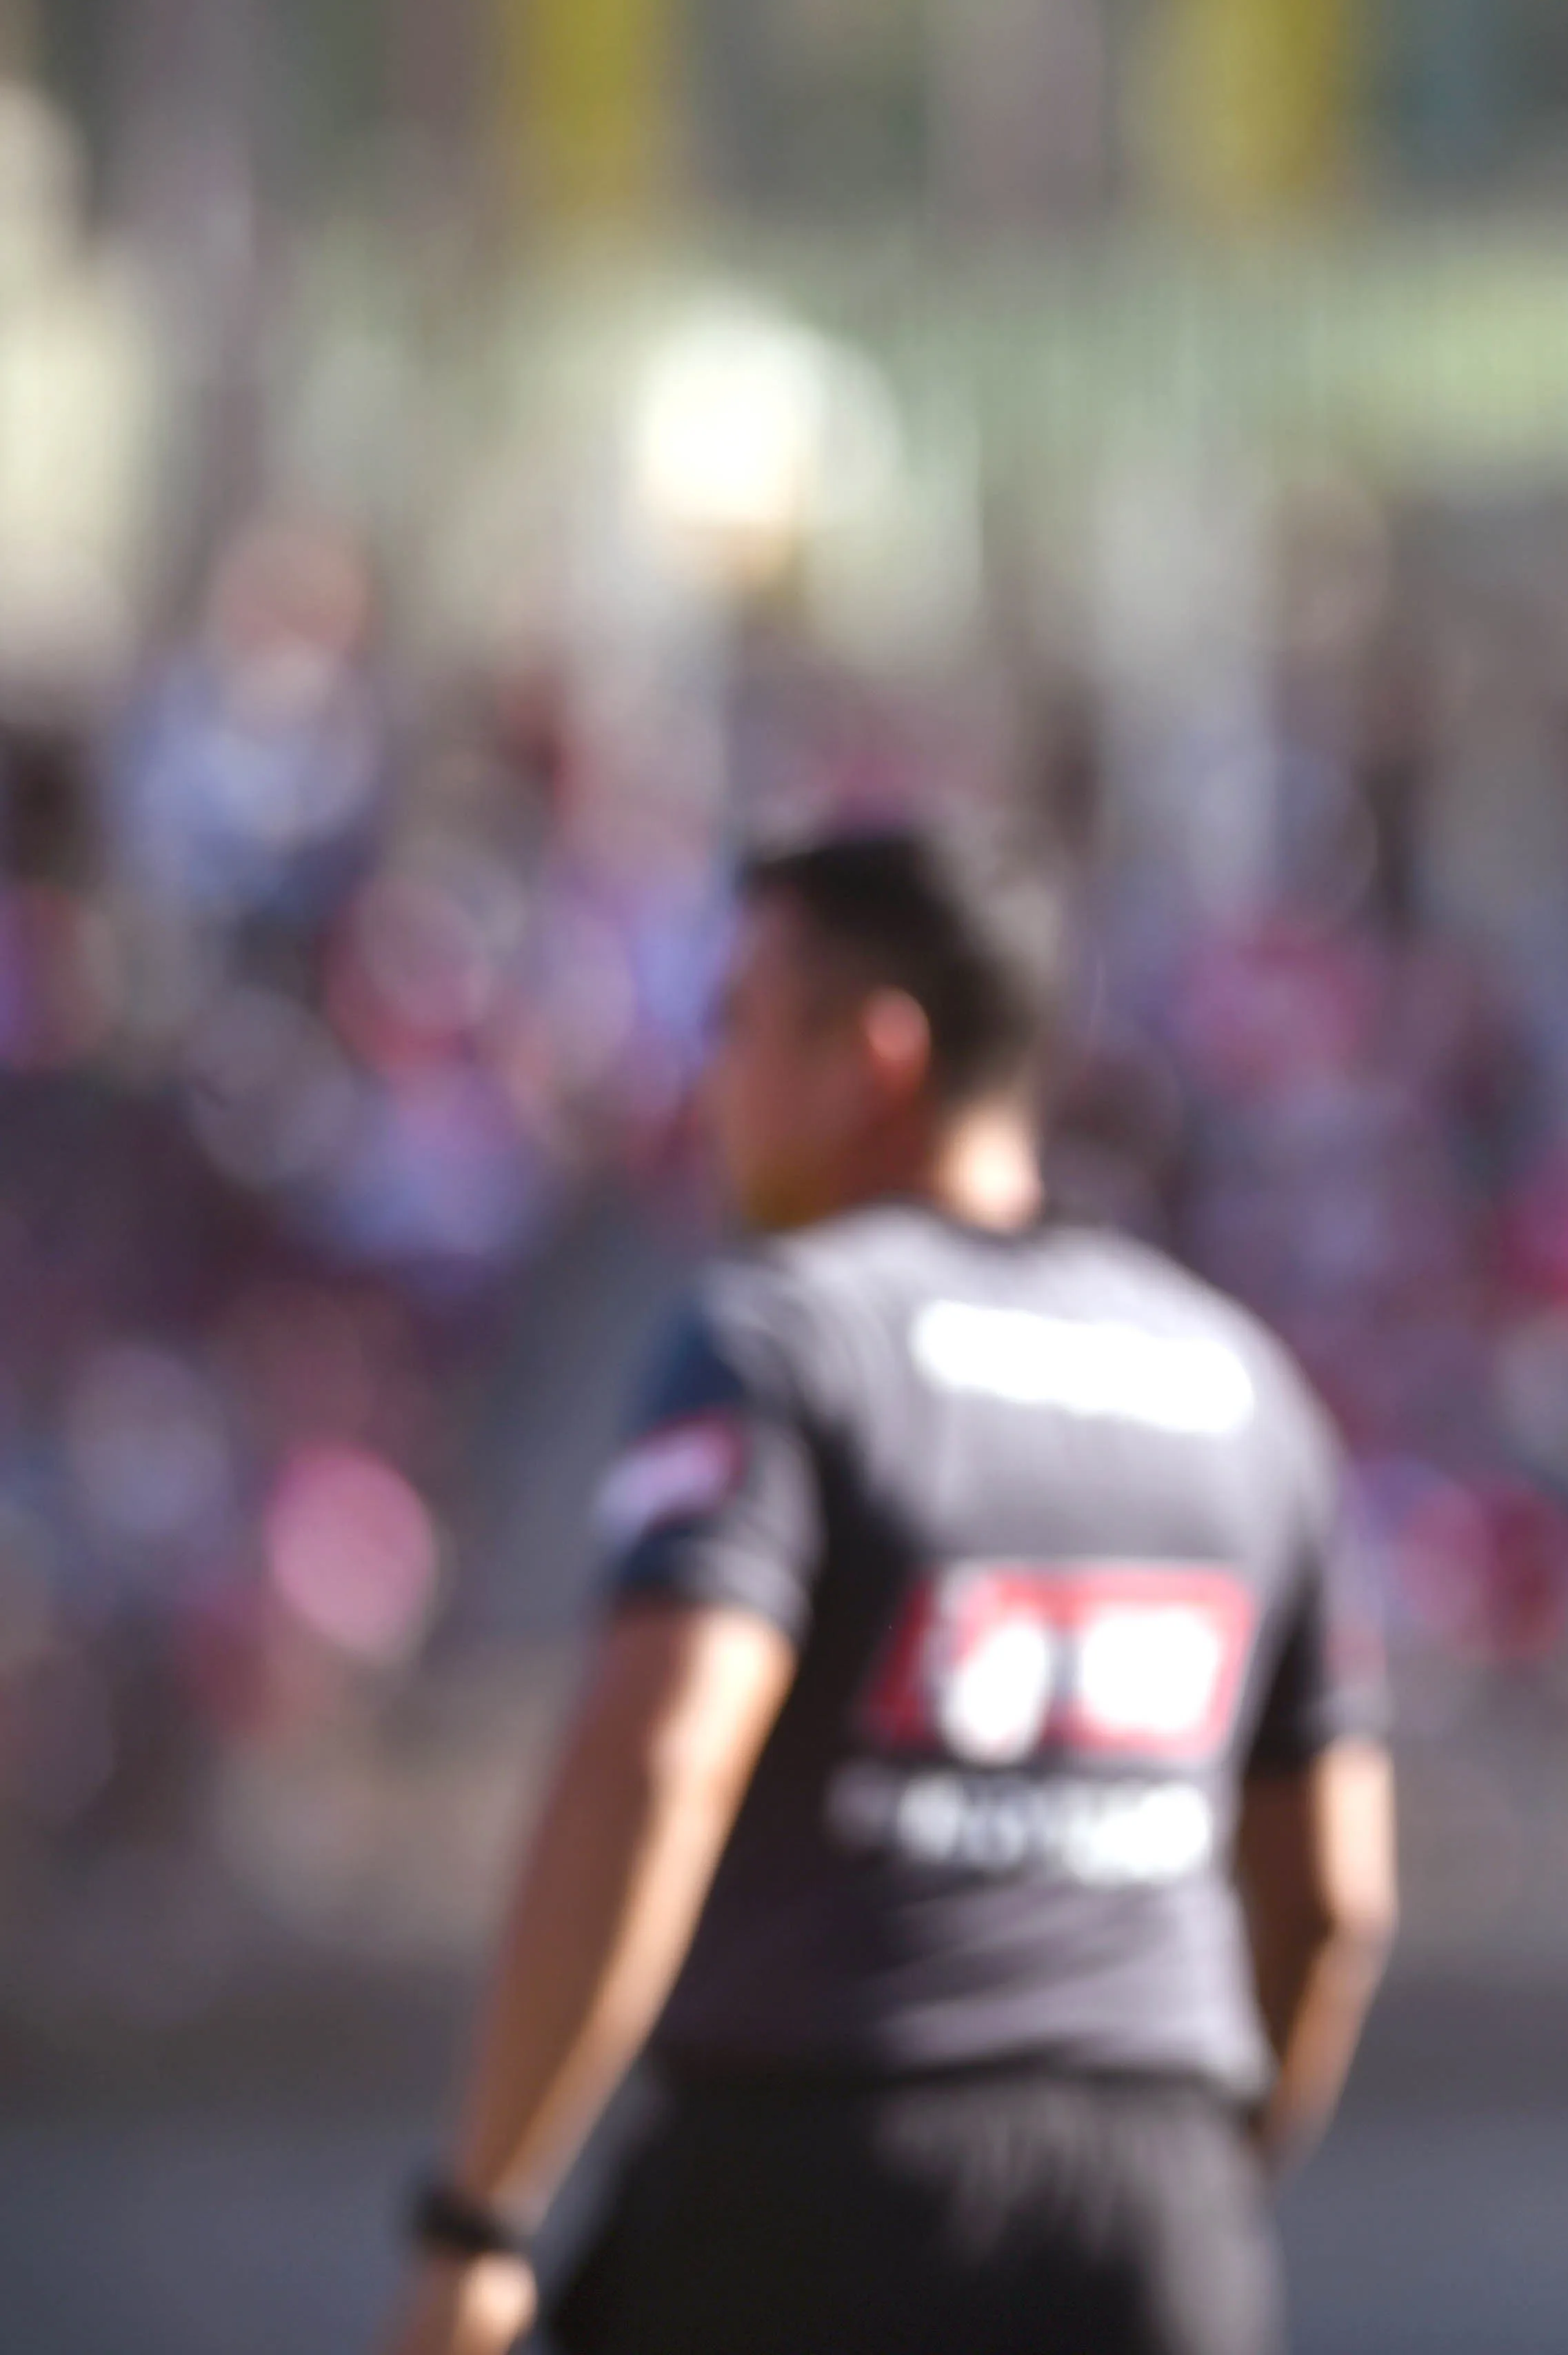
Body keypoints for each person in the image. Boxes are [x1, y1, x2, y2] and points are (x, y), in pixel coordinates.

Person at [376, 828, 1394, 2355]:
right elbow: (1337, 1903)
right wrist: (1201, 2179)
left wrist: (483, 2220)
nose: (708, 1086)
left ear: (874, 1056)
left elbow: (662, 1756)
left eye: (733, 1026)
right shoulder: (1244, 1386)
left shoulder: (789, 1337)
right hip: (1157, 2222)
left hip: (813, 2191)